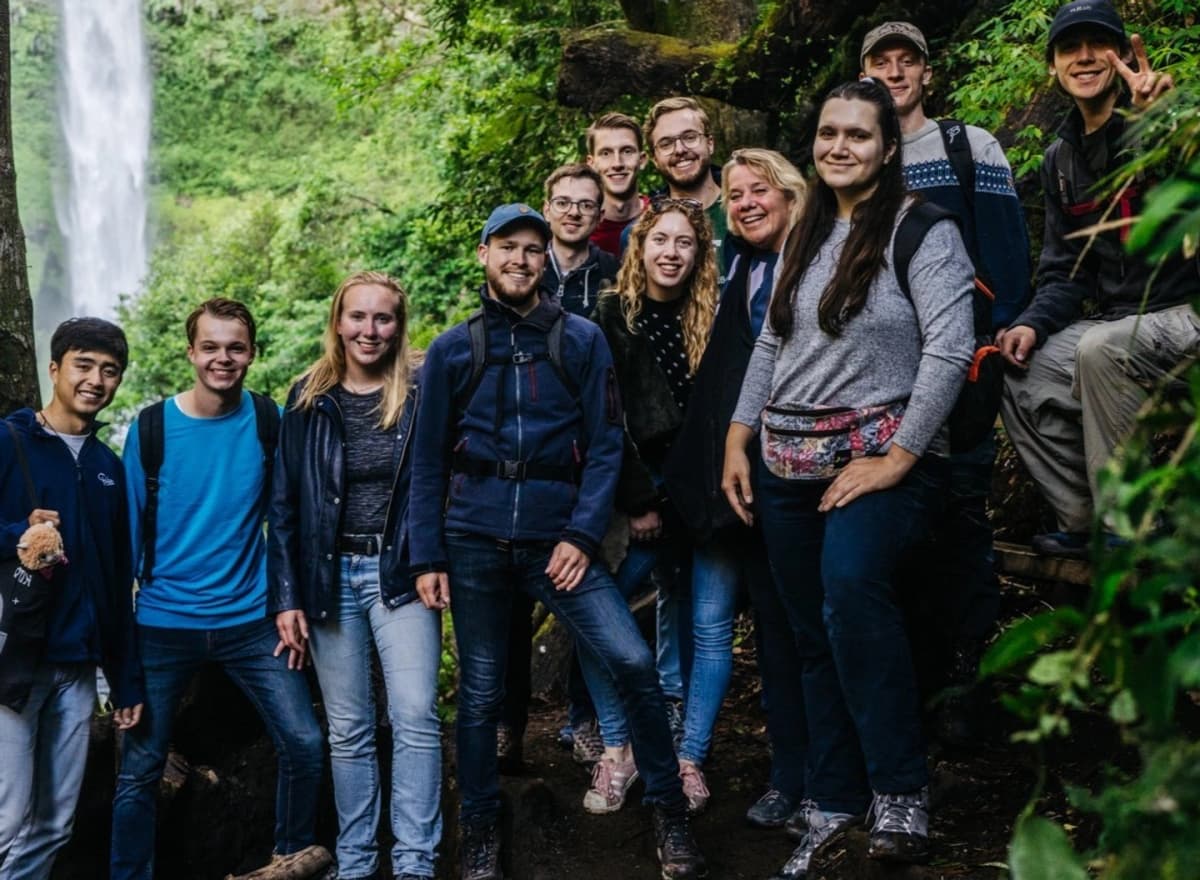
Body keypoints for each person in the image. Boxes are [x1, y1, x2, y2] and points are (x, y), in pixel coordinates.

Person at [409, 203, 707, 880]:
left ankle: (669, 811)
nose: (519, 260)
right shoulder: (454, 350)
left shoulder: (580, 340)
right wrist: (427, 555)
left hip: (558, 544)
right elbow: (427, 461)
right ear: (483, 254)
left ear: (544, 260)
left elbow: (605, 445)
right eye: (506, 247)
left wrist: (580, 534)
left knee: (633, 661)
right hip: (475, 541)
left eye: (531, 249)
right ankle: (480, 827)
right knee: (481, 693)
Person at [723, 79, 974, 878]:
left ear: (888, 147)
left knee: (852, 594)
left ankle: (900, 791)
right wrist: (738, 436)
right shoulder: (805, 228)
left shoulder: (924, 230)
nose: (839, 146)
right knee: (810, 636)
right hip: (786, 465)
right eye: (828, 132)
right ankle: (832, 803)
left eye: (857, 135)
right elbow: (773, 343)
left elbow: (950, 348)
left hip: (881, 460)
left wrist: (898, 456)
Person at [860, 19, 1032, 738]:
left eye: (909, 61)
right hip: (879, 377)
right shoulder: (857, 155)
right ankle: (915, 677)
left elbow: (1009, 254)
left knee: (961, 510)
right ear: (866, 75)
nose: (897, 73)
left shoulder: (969, 147)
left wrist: (997, 340)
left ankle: (966, 679)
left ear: (927, 73)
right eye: (883, 62)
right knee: (894, 517)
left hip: (964, 367)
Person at [111, 299, 324, 880]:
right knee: (139, 768)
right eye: (210, 347)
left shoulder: (268, 421)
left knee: (304, 742)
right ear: (191, 352)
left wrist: (290, 601)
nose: (222, 358)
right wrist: (119, 651)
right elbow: (126, 539)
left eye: (235, 347)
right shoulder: (151, 429)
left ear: (252, 353)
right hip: (162, 624)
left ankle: (290, 859)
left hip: (251, 620)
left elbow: (288, 520)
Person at [998, 0, 1197, 560]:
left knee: (1102, 348)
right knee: (1019, 371)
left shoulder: (1161, 126)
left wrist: (1168, 123)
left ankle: (1131, 525)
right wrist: (1031, 325)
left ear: (1121, 56)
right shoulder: (1061, 161)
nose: (1084, 57)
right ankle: (1086, 522)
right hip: (1120, 323)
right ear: (1053, 66)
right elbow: (1065, 270)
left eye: (1098, 45)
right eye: (1069, 47)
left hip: (1187, 315)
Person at [269, 272, 441, 880]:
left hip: (401, 572)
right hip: (328, 576)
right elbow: (284, 504)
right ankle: (358, 862)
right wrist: (287, 596)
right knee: (348, 729)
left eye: (383, 318)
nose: (370, 330)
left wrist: (433, 560)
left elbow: (438, 483)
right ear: (338, 323)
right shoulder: (307, 396)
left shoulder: (420, 390)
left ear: (398, 325)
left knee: (415, 714)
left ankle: (415, 861)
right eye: (358, 317)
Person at [663, 148, 811, 829]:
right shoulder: (745, 269)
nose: (747, 202)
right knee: (774, 632)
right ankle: (789, 775)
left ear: (790, 194)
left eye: (761, 190)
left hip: (811, 467)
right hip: (753, 473)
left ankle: (833, 781)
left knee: (813, 626)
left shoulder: (816, 260)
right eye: (738, 194)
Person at [586, 198, 724, 815]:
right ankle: (617, 749)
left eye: (684, 242)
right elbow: (603, 416)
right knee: (598, 611)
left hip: (707, 491)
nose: (671, 252)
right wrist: (639, 498)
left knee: (705, 620)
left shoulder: (713, 314)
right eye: (659, 240)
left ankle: (689, 757)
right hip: (637, 488)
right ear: (639, 247)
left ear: (699, 254)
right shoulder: (612, 315)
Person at [0, 319, 142, 880]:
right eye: (84, 365)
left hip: (79, 671)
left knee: (55, 823)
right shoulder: (9, 442)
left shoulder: (109, 467)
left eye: (110, 371)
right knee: (7, 816)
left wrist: (124, 680)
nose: (96, 380)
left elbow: (117, 580)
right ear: (54, 369)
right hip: (14, 660)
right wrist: (18, 534)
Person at [643, 98, 729, 273]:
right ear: (655, 159)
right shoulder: (643, 230)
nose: (680, 149)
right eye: (666, 144)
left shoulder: (745, 212)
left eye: (690, 137)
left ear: (710, 144)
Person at [541, 163, 620, 317]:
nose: (574, 212)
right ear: (546, 211)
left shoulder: (615, 273)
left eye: (586, 205)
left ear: (600, 217)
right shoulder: (528, 266)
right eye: (562, 203)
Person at [586, 112, 650, 257]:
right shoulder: (580, 230)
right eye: (606, 153)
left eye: (627, 151)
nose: (617, 163)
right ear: (591, 163)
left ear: (642, 160)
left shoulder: (663, 219)